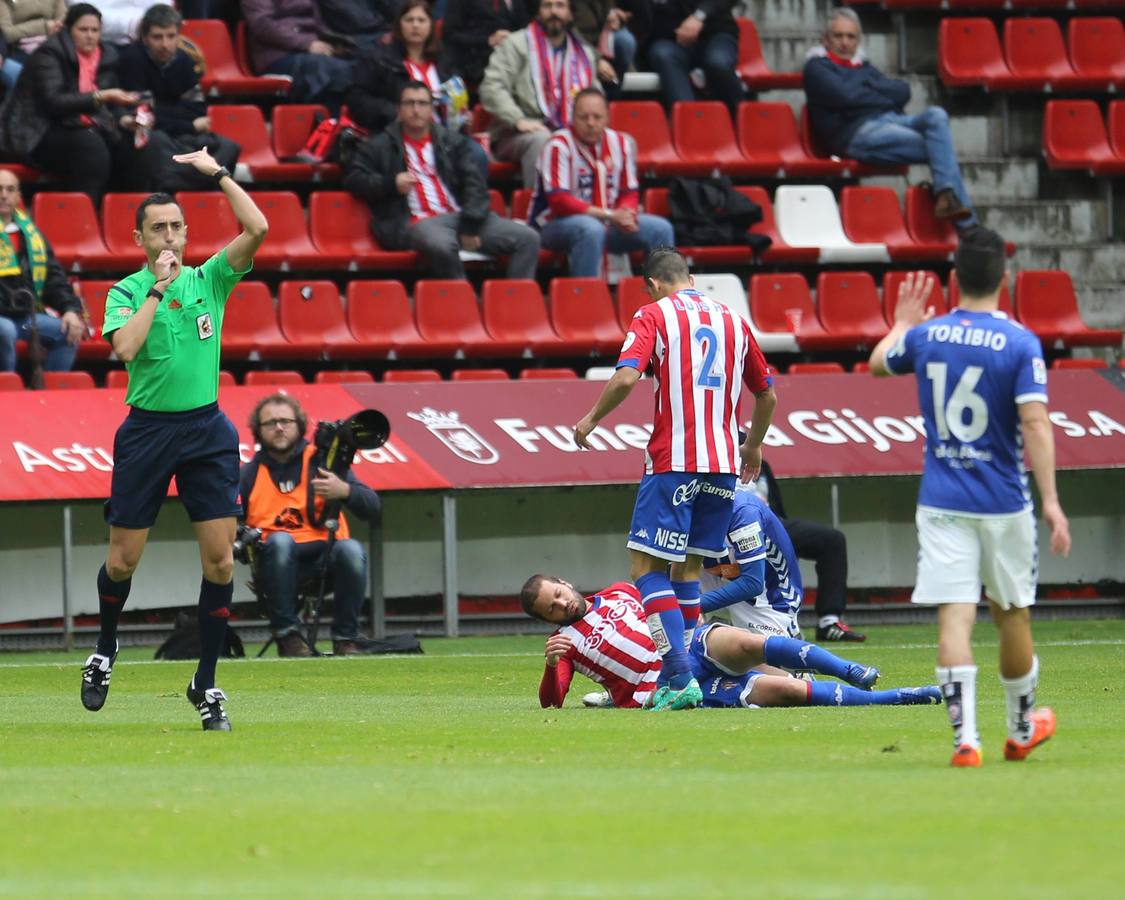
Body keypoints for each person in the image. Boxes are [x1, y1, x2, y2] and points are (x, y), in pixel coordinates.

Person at [80, 148, 269, 732]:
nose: (167, 235)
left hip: (207, 429)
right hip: (147, 431)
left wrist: (216, 173)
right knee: (123, 558)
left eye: (175, 226)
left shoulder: (211, 277)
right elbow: (125, 350)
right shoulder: (126, 291)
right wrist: (158, 291)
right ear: (139, 237)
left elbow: (258, 227)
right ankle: (106, 648)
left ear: (187, 233)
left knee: (219, 561)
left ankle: (206, 683)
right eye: (156, 227)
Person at [869, 227, 1071, 767]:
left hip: (942, 501)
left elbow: (876, 362)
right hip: (1004, 502)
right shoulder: (1021, 342)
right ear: (1004, 279)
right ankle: (1022, 728)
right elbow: (1035, 422)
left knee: (954, 620)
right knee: (1012, 616)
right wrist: (1050, 500)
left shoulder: (929, 335)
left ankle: (966, 741)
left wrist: (902, 324)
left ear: (955, 279)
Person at [573, 247, 777, 711]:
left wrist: (590, 419)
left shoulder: (653, 314)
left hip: (674, 460)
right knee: (687, 570)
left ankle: (678, 675)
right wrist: (753, 445)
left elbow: (626, 378)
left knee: (644, 568)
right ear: (689, 276)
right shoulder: (732, 319)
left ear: (653, 284)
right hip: (724, 462)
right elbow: (767, 395)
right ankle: (688, 676)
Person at [521, 576, 941, 710]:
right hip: (671, 688)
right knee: (786, 690)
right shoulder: (565, 644)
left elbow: (662, 604)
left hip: (690, 647)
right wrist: (547, 667)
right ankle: (896, 698)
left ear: (564, 583)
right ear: (548, 620)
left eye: (557, 594)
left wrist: (687, 614)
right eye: (552, 609)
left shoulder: (619, 590)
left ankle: (849, 668)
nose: (561, 605)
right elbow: (552, 703)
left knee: (746, 642)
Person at [344, 80, 540, 279]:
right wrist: (390, 184)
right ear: (399, 110)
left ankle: (516, 305)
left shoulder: (453, 142)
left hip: (461, 217)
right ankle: (461, 304)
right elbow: (354, 178)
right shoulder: (380, 145)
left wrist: (470, 225)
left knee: (528, 238)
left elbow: (475, 185)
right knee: (442, 244)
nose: (416, 110)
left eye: (422, 104)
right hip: (418, 222)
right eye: (409, 103)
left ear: (431, 109)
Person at [240, 393, 383, 657]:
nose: (279, 427)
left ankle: (346, 639)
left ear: (300, 424)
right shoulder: (248, 474)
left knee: (351, 549)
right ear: (258, 431)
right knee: (281, 541)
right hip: (275, 563)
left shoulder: (326, 463)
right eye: (270, 423)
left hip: (326, 560)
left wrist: (344, 490)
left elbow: (372, 506)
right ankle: (288, 636)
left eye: (285, 421)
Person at [804, 7, 976, 225]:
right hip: (856, 133)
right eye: (838, 36)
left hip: (890, 121)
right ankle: (970, 229)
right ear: (826, 40)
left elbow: (902, 91)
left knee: (937, 115)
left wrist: (866, 90)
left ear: (858, 41)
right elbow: (846, 97)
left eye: (851, 37)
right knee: (941, 146)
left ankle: (946, 196)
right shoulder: (817, 68)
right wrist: (876, 91)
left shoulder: (863, 67)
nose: (845, 43)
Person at [0, 3, 146, 202]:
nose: (89, 35)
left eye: (95, 30)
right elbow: (54, 102)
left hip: (83, 126)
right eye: (83, 29)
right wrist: (100, 96)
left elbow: (113, 106)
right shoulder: (48, 54)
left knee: (134, 145)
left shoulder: (107, 57)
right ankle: (83, 216)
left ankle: (129, 215)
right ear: (69, 31)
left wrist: (125, 120)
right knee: (90, 146)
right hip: (38, 131)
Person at [530, 86, 672, 277]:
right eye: (583, 117)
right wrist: (609, 215)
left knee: (660, 229)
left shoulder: (621, 143)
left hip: (608, 221)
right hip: (554, 225)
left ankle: (662, 302)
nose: (590, 123)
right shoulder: (558, 145)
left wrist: (626, 213)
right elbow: (559, 201)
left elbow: (629, 191)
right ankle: (587, 300)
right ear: (573, 118)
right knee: (591, 229)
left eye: (597, 117)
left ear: (607, 118)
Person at [347, 0, 488, 178]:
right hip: (398, 136)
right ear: (399, 25)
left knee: (476, 155)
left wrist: (461, 116)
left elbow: (457, 96)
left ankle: (470, 206)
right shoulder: (380, 59)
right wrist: (393, 112)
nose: (415, 25)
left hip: (444, 136)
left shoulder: (445, 61)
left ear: (431, 25)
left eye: (421, 20)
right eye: (409, 20)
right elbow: (356, 98)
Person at [117, 3, 241, 192]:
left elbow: (197, 109)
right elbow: (145, 116)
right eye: (157, 37)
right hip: (155, 134)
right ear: (145, 38)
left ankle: (193, 190)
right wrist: (188, 123)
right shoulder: (133, 59)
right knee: (154, 142)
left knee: (228, 146)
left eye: (171, 36)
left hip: (181, 134)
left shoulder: (185, 60)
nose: (165, 44)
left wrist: (164, 111)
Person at [480, 0, 598, 189]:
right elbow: (491, 87)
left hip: (571, 130)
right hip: (517, 132)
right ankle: (541, 213)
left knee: (620, 142)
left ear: (570, 13)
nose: (554, 12)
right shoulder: (516, 44)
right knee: (543, 140)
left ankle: (600, 209)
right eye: (547, 6)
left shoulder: (584, 54)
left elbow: (595, 97)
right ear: (537, 12)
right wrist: (518, 120)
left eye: (560, 6)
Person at [754, 458, 865, 642]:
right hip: (741, 528)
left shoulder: (761, 463)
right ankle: (777, 622)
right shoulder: (720, 463)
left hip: (774, 523)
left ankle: (828, 621)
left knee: (832, 540)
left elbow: (776, 503)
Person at [0, 167, 85, 375]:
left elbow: (53, 277)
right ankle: (7, 396)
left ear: (19, 196)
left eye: (10, 190)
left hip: (24, 316)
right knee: (6, 331)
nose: (4, 195)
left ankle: (46, 397)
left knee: (67, 332)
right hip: (3, 320)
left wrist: (70, 310)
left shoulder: (32, 235)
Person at [699, 486, 805, 642]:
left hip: (766, 597)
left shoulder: (743, 511)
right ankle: (711, 625)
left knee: (763, 660)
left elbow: (752, 583)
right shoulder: (681, 502)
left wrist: (689, 605)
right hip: (723, 576)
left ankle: (789, 639)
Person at [631, 0, 744, 114]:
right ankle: (689, 119)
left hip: (715, 34)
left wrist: (699, 16)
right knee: (664, 55)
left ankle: (738, 120)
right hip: (671, 41)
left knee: (718, 63)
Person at [240, 0, 353, 113]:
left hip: (313, 50)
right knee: (330, 69)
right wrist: (307, 44)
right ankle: (329, 123)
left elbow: (318, 23)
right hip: (278, 55)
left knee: (361, 65)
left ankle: (348, 126)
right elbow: (262, 25)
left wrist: (333, 43)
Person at [442, 0, 530, 87]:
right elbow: (450, 34)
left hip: (512, 60)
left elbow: (524, 27)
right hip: (475, 63)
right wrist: (488, 40)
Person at [573, 0, 636, 98]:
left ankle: (611, 101)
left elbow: (642, 18)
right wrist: (596, 59)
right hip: (579, 51)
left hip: (606, 49)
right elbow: (570, 34)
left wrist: (618, 19)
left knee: (624, 41)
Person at [0, 0, 66, 89]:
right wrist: (44, 26)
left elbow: (62, 24)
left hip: (53, 48)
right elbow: (7, 34)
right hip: (18, 52)